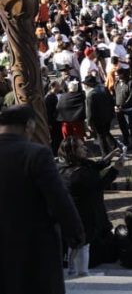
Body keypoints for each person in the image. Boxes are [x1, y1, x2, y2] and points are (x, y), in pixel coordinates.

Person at [0, 104, 85, 294]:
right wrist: (76, 236)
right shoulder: (35, 154)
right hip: (33, 246)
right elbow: (59, 199)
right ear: (29, 126)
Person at [57, 136, 123, 273]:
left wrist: (107, 158)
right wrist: (115, 169)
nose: (85, 148)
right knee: (83, 245)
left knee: (75, 242)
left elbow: (92, 167)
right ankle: (81, 272)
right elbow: (99, 184)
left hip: (72, 211)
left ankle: (72, 267)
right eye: (81, 147)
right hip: (86, 213)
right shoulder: (79, 174)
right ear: (73, 152)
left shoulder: (62, 166)